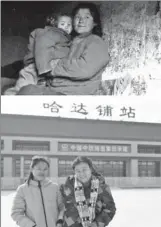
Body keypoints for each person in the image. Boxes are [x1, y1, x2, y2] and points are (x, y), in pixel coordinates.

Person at [17, 2, 110, 95]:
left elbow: (85, 68)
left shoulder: (96, 41)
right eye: (77, 17)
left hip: (71, 94)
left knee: (27, 92)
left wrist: (53, 65)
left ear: (95, 23)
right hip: (55, 89)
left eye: (87, 17)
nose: (81, 20)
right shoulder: (70, 42)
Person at [4, 12, 72, 95]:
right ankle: (8, 99)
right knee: (22, 87)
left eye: (69, 24)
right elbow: (42, 49)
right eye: (63, 24)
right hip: (35, 67)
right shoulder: (48, 32)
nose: (66, 27)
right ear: (54, 24)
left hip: (50, 69)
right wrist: (44, 70)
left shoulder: (67, 39)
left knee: (36, 91)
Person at [59, 156, 116, 227]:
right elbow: (61, 207)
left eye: (84, 170)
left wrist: (96, 224)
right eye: (78, 171)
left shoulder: (102, 187)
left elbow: (110, 209)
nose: (81, 173)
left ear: (91, 169)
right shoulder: (67, 187)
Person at [11, 156, 65, 227]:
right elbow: (16, 213)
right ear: (31, 169)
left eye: (45, 169)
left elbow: (62, 207)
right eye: (39, 169)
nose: (42, 172)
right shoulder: (22, 189)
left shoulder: (55, 187)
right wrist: (31, 225)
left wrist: (60, 221)